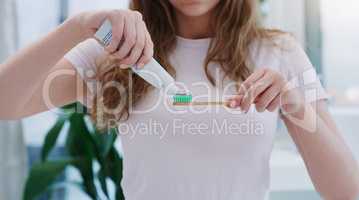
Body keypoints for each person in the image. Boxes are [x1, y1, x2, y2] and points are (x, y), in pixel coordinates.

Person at [0, 0, 358, 199]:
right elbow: (5, 102)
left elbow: (346, 191)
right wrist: (76, 27)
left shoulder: (278, 51)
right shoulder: (117, 54)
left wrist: (292, 101)